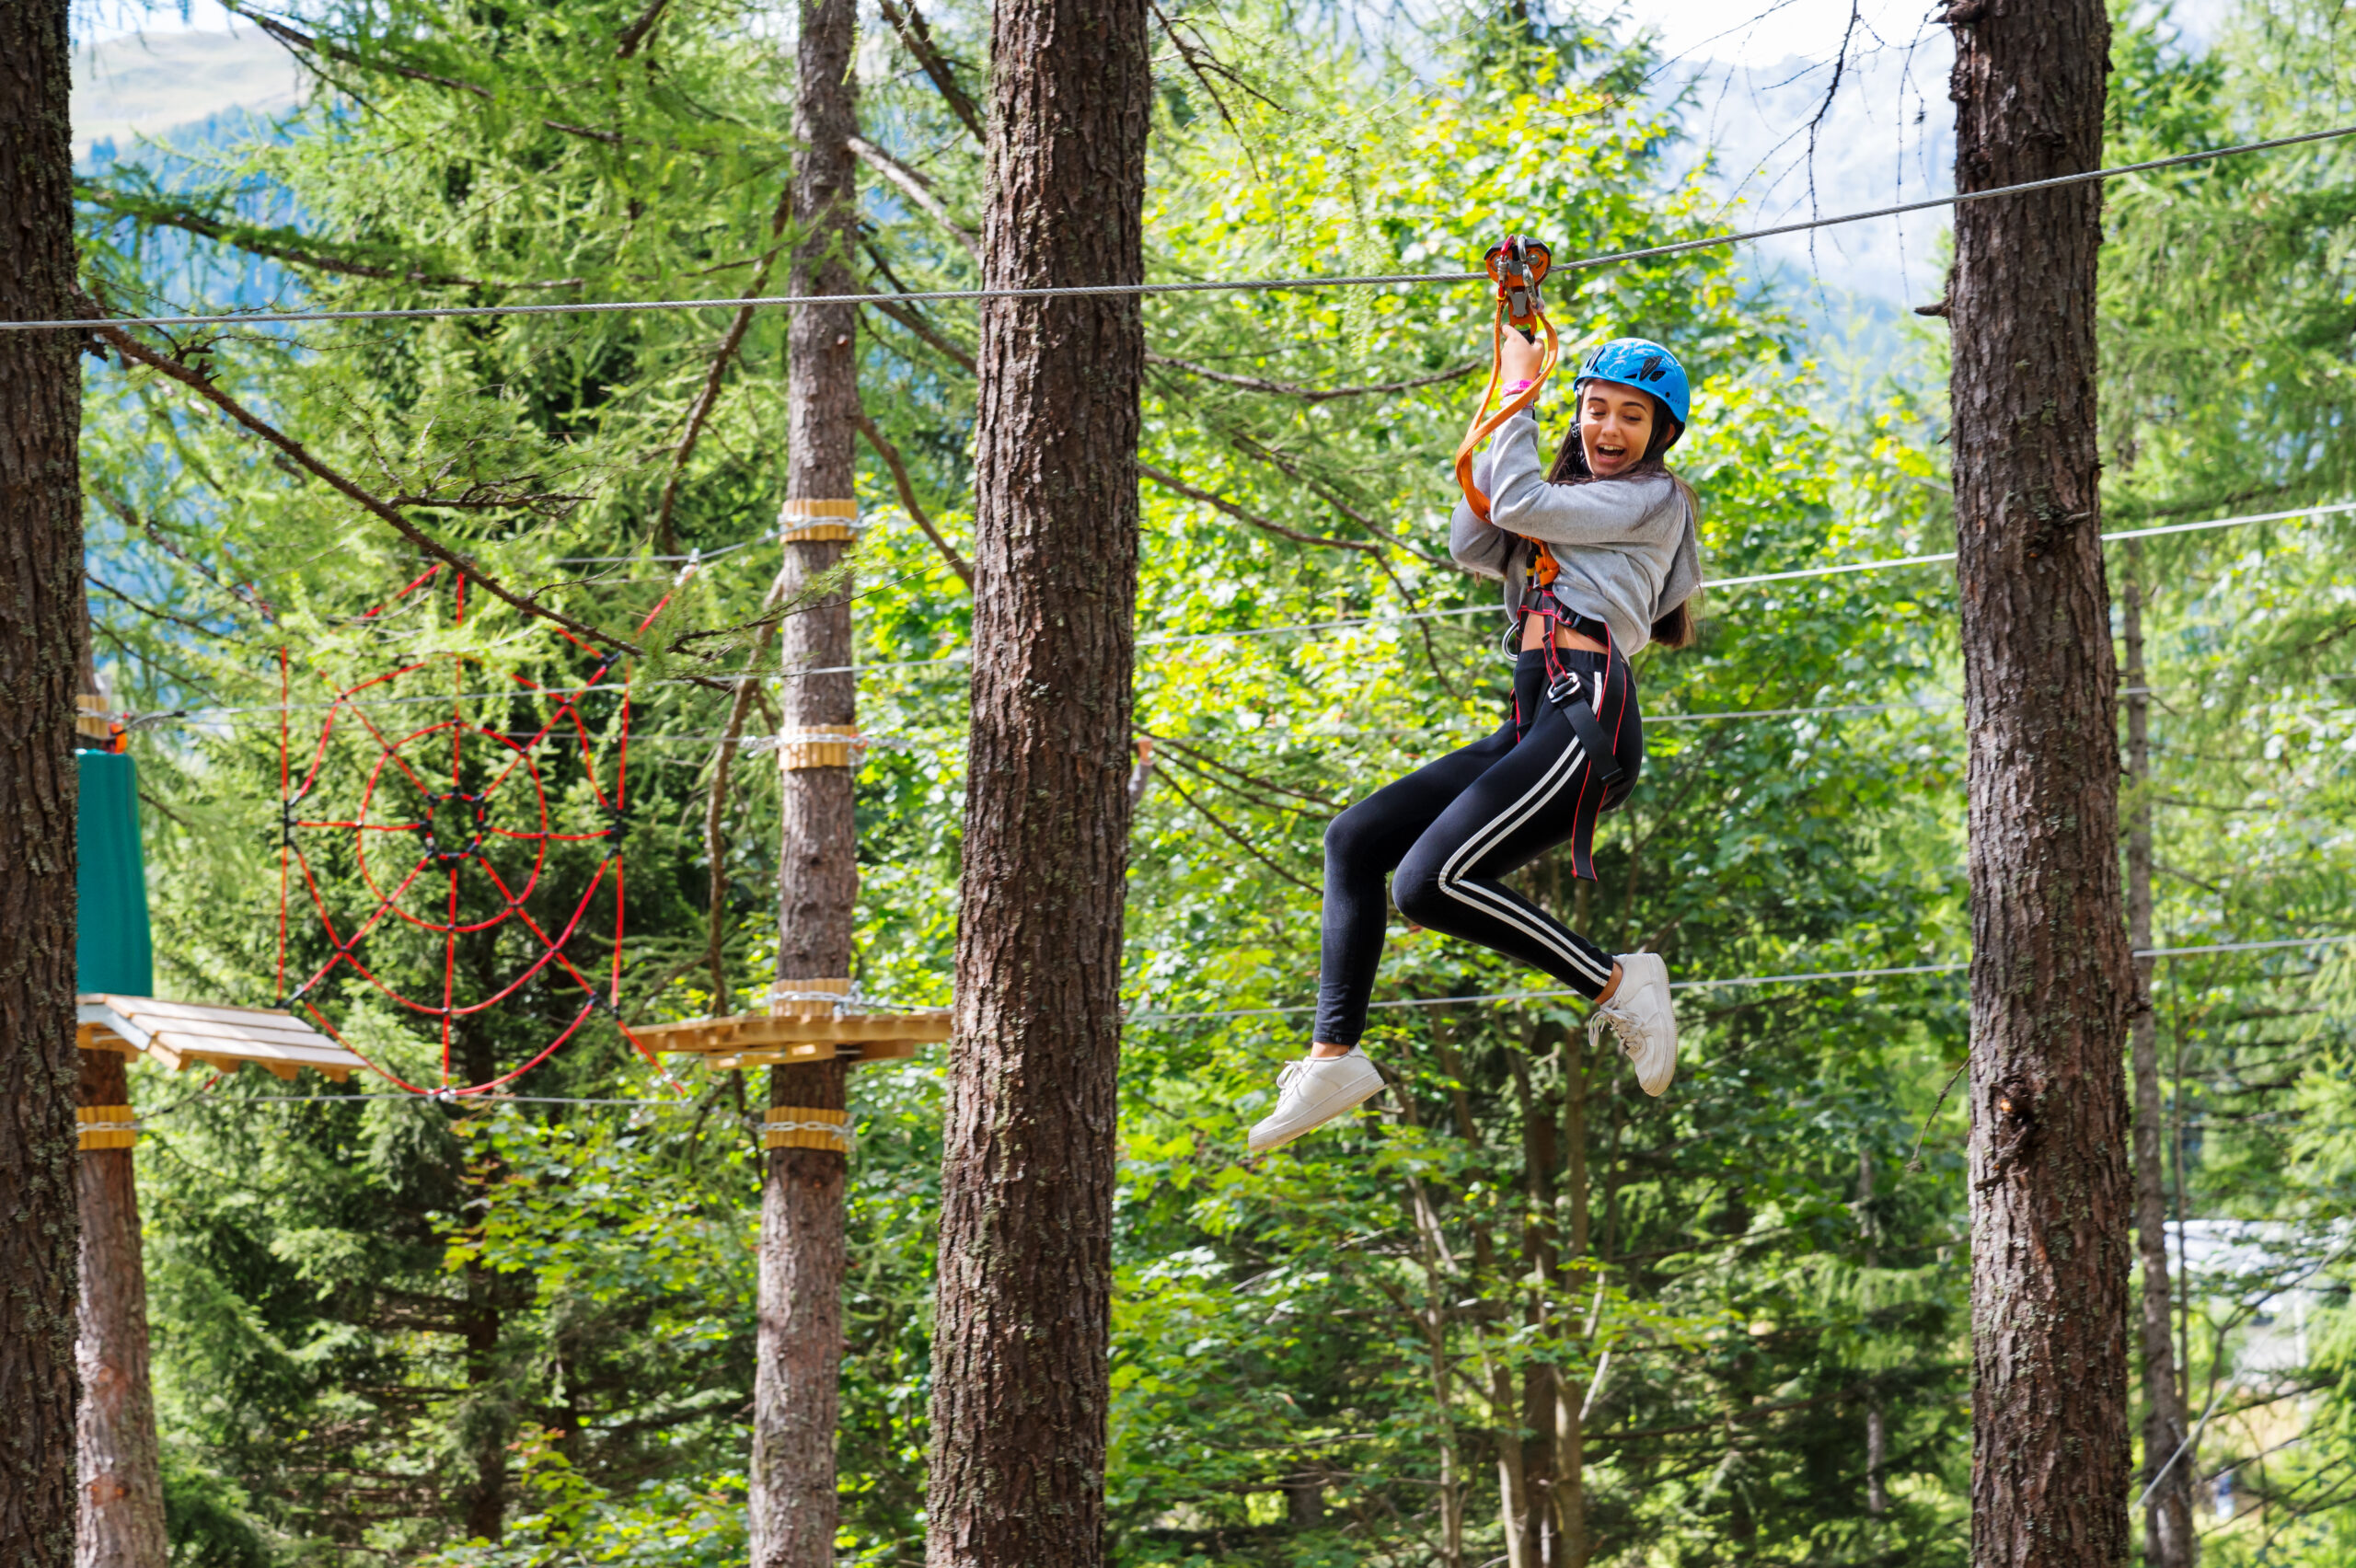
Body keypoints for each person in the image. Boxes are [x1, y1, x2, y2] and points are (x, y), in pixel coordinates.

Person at [1248, 334, 1702, 1152]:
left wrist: (1519, 403)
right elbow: (1474, 536)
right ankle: (1332, 1056)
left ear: (1660, 436)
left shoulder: (1653, 498)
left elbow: (1520, 504)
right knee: (1354, 840)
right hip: (1535, 721)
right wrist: (1504, 401)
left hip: (1586, 712)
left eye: (1631, 417)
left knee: (1426, 885)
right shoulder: (1563, 497)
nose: (1609, 428)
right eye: (1595, 409)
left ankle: (1617, 982)